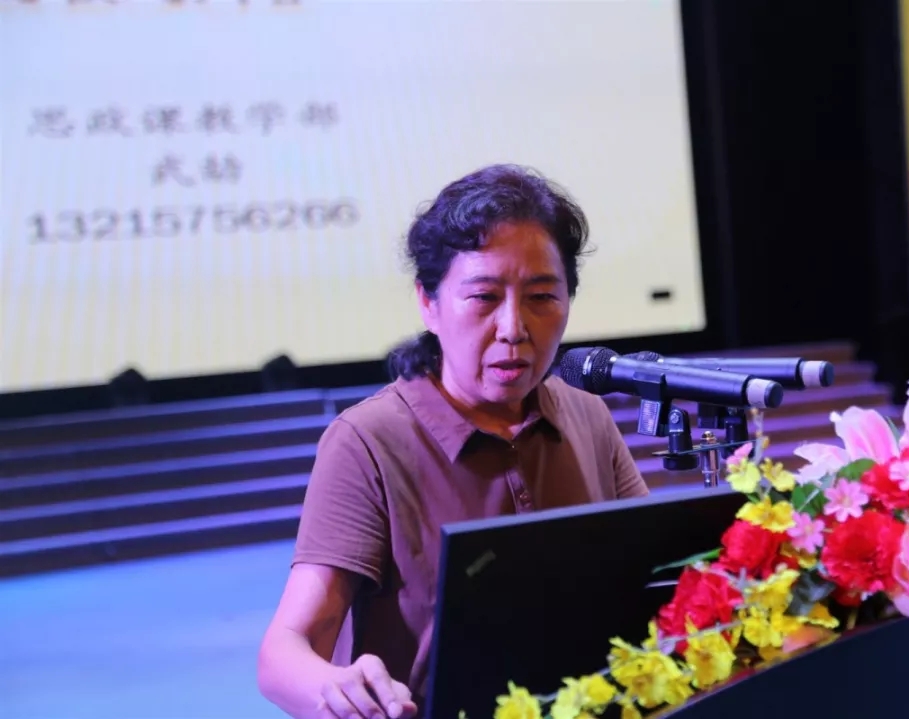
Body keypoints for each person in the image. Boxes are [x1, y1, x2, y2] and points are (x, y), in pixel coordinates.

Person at [256, 164, 649, 719]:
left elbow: (653, 579)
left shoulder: (587, 415)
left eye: (541, 296)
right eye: (484, 297)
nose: (513, 328)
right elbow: (283, 655)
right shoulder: (369, 441)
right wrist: (340, 689)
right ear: (429, 302)